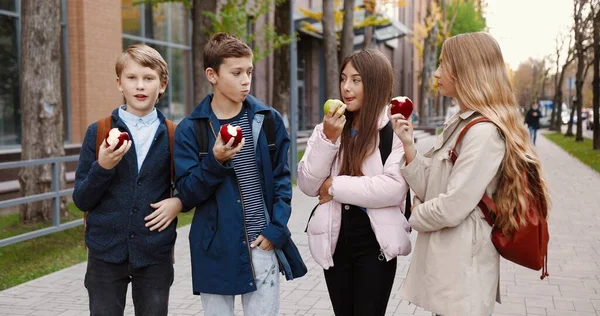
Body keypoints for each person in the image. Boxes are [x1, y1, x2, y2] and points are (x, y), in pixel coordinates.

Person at [389, 32, 550, 316]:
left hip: (463, 273)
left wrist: (411, 215)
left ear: (467, 71)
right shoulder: (463, 123)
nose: (436, 73)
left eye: (444, 64)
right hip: (450, 266)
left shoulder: (483, 133)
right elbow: (433, 186)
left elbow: (451, 207)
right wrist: (409, 145)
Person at [173, 33, 306, 316]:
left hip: (262, 244)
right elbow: (186, 194)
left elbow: (283, 181)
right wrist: (216, 160)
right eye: (236, 73)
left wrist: (276, 229)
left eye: (249, 71)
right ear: (212, 75)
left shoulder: (267, 121)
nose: (246, 80)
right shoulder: (192, 129)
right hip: (214, 249)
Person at [297, 49, 412, 316]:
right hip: (335, 241)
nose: (346, 88)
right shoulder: (328, 127)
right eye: (343, 78)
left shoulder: (392, 130)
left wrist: (333, 187)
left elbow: (393, 188)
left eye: (356, 80)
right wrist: (328, 139)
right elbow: (306, 183)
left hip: (375, 244)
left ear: (375, 83)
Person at [73, 44, 183, 316]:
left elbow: (190, 187)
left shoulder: (174, 134)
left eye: (149, 78)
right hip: (105, 252)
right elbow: (81, 199)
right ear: (119, 83)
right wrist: (103, 166)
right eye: (132, 78)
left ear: (162, 85)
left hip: (154, 252)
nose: (140, 86)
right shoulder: (98, 131)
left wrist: (179, 202)